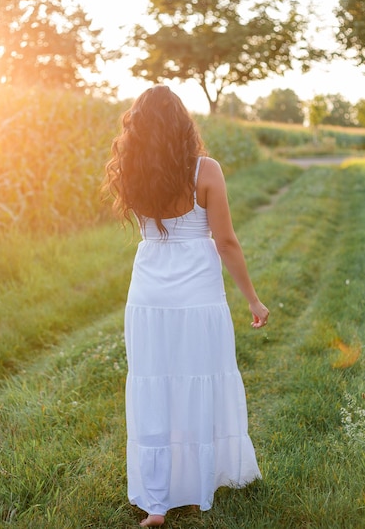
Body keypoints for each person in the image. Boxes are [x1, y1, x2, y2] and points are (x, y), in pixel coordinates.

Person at [104, 85, 269, 527]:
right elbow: (226, 241)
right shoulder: (206, 170)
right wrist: (252, 299)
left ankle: (157, 502)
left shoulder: (129, 169)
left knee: (155, 383)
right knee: (199, 380)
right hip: (197, 293)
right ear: (183, 124)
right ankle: (197, 490)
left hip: (149, 293)